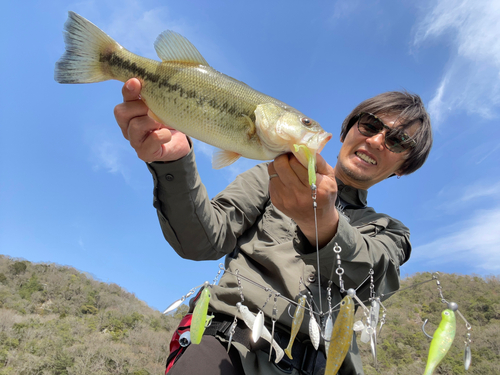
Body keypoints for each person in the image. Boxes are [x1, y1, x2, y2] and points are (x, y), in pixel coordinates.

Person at [114, 78, 432, 375]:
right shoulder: (269, 177)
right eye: (370, 125)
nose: (377, 140)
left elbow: (372, 284)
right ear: (348, 129)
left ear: (405, 167)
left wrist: (320, 220)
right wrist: (173, 164)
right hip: (225, 347)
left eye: (398, 140)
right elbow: (201, 242)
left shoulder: (390, 231)